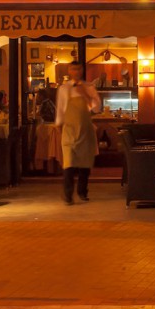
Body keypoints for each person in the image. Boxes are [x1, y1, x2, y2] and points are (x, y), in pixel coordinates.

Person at [55, 62, 100, 204]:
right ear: (69, 70)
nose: (76, 71)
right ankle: (68, 195)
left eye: (78, 69)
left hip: (85, 130)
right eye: (73, 69)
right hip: (69, 129)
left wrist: (85, 94)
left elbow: (97, 108)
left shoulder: (89, 87)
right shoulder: (63, 88)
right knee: (69, 163)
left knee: (84, 163)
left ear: (82, 70)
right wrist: (58, 125)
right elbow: (61, 108)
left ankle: (82, 191)